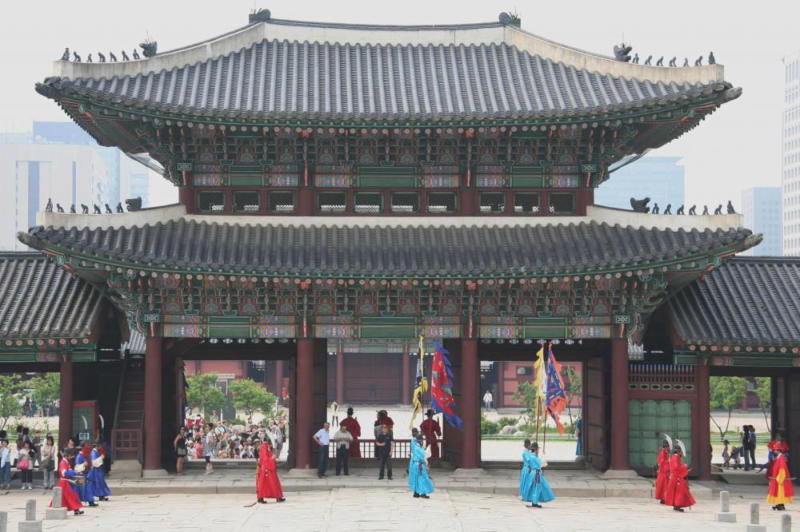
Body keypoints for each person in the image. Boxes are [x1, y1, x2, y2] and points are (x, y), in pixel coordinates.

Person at [51, 448, 84, 515]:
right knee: (70, 496)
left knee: (70, 496)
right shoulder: (63, 463)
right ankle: (76, 510)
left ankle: (76, 510)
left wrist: (73, 472)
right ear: (67, 455)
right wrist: (73, 472)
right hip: (64, 483)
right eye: (70, 456)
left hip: (66, 482)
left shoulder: (65, 462)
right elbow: (64, 473)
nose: (71, 457)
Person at [521, 441, 554, 508]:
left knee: (535, 488)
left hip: (533, 473)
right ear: (535, 450)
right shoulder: (535, 458)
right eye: (538, 449)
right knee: (537, 488)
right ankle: (534, 502)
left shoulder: (531, 456)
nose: (538, 451)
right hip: (537, 474)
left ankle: (534, 501)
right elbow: (544, 464)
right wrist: (544, 455)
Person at [665, 444, 695, 512]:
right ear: (679, 451)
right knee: (680, 492)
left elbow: (677, 466)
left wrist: (684, 467)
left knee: (675, 492)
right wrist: (684, 467)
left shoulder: (673, 457)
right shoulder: (676, 457)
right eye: (680, 451)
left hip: (674, 477)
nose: (681, 453)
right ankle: (677, 505)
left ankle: (676, 505)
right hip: (677, 477)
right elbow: (676, 468)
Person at [409, 434, 434, 498]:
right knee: (423, 478)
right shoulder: (419, 448)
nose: (423, 442)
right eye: (422, 441)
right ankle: (423, 493)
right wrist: (428, 448)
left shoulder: (414, 447)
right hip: (419, 465)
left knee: (416, 479)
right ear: (420, 441)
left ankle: (416, 493)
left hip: (414, 465)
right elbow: (425, 455)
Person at [654, 440, 671, 504]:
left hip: (665, 472)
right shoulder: (662, 452)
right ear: (666, 447)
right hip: (663, 472)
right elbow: (661, 462)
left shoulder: (665, 452)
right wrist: (668, 461)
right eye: (668, 447)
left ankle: (664, 499)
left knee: (664, 486)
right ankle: (663, 498)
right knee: (664, 487)